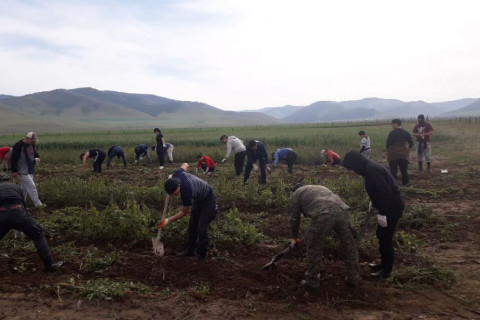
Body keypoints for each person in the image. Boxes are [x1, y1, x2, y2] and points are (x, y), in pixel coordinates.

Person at [342, 150, 405, 279]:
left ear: (356, 164)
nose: (354, 171)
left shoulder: (371, 170)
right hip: (388, 206)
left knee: (385, 237)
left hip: (392, 207)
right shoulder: (369, 168)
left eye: (352, 168)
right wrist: (374, 202)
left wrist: (382, 213)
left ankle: (386, 270)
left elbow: (385, 193)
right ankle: (383, 264)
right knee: (380, 234)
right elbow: (379, 190)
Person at [289, 183, 359, 288]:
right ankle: (353, 278)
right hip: (343, 211)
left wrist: (295, 238)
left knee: (314, 246)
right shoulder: (320, 188)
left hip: (323, 213)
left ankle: (312, 280)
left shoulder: (296, 193)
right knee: (349, 246)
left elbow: (294, 219)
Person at [0, 172, 63, 272]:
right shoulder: (16, 187)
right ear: (9, 180)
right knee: (38, 235)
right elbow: (24, 206)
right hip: (19, 215)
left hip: (1, 217)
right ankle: (49, 266)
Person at [157, 163, 218, 260]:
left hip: (208, 199)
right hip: (198, 198)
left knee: (201, 228)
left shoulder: (186, 192)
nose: (173, 195)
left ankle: (202, 256)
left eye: (174, 193)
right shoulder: (177, 174)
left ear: (178, 186)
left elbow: (184, 212)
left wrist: (167, 221)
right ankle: (191, 250)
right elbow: (185, 164)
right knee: (192, 224)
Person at [10, 132, 43, 207]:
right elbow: (14, 159)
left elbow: (36, 155)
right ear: (28, 139)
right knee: (31, 186)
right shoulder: (18, 145)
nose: (33, 142)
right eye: (32, 140)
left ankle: (21, 203)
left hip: (30, 170)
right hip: (21, 170)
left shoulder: (31, 145)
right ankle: (38, 205)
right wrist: (14, 171)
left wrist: (37, 159)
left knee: (24, 188)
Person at [386, 119, 414, 186]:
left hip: (393, 155)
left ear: (396, 124)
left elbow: (387, 144)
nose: (392, 125)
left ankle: (394, 185)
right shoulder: (405, 132)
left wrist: (389, 151)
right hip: (403, 155)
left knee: (393, 171)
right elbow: (411, 143)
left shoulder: (392, 133)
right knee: (404, 171)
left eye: (392, 124)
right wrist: (408, 150)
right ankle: (405, 184)